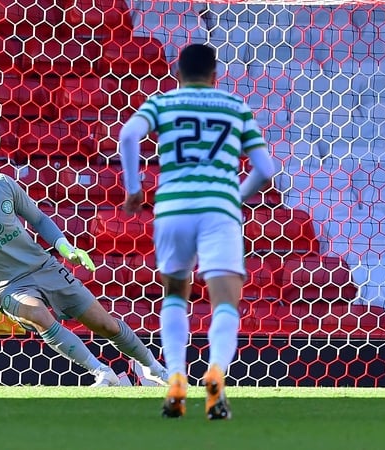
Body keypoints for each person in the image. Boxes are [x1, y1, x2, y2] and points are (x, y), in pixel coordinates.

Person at [0, 136, 170, 387]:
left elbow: (39, 219)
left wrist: (65, 247)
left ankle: (153, 368)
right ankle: (101, 372)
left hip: (44, 267)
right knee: (38, 314)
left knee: (105, 324)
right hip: (7, 286)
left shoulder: (3, 186)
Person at [119, 43, 275, 420]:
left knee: (175, 291)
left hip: (173, 208)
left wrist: (133, 188)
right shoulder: (235, 106)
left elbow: (127, 136)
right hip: (218, 211)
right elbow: (267, 170)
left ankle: (175, 376)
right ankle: (216, 372)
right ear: (215, 75)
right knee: (225, 300)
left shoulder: (161, 102)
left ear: (176, 72)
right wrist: (232, 196)